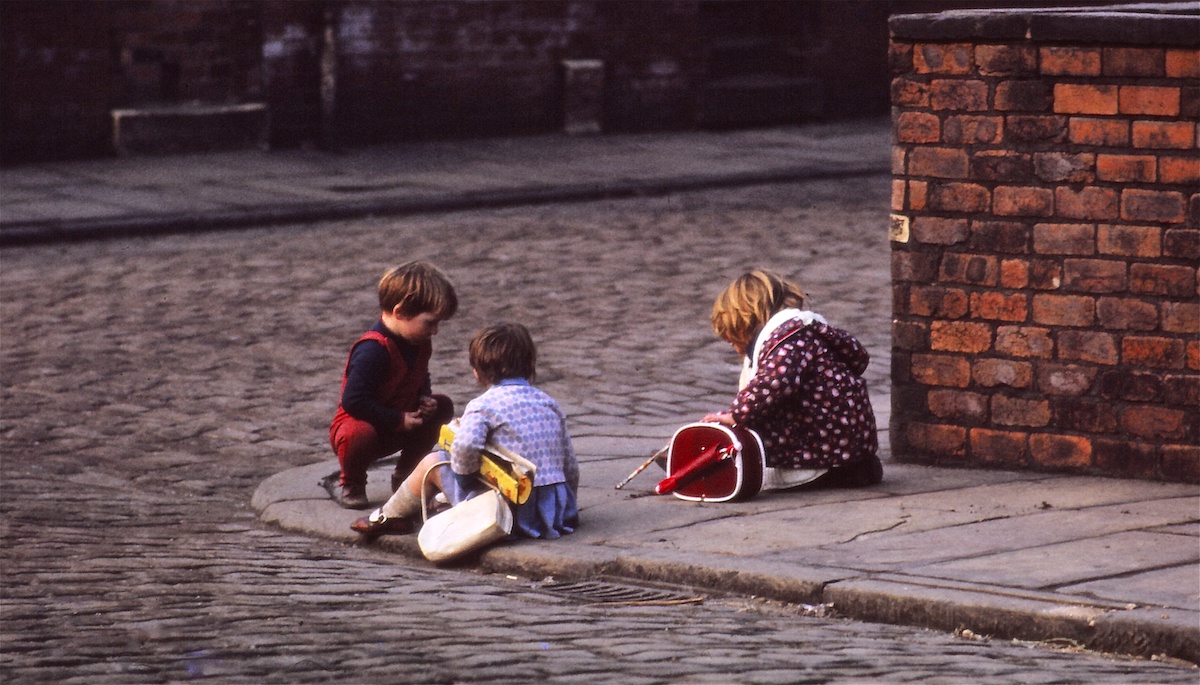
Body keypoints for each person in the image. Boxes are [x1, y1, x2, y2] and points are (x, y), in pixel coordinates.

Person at [352, 323, 579, 539]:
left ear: (477, 373)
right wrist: (566, 502)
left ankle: (389, 515)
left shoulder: (483, 406)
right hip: (553, 510)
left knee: (433, 461)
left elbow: (467, 446)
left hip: (507, 512)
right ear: (531, 365)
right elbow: (569, 464)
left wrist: (462, 480)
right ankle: (438, 501)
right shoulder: (549, 403)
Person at [701, 268, 882, 492]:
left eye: (733, 339)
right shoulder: (805, 334)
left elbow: (772, 384)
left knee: (756, 425)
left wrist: (737, 414)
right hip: (848, 451)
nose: (735, 348)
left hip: (823, 456)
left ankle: (720, 463)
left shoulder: (788, 341)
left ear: (745, 321)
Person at [328, 261, 457, 509]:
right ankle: (352, 482)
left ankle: (408, 476)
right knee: (358, 433)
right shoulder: (373, 350)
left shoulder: (418, 342)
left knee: (443, 406)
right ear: (400, 312)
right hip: (364, 427)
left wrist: (424, 397)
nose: (435, 331)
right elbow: (354, 401)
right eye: (430, 322)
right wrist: (397, 420)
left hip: (402, 418)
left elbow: (420, 374)